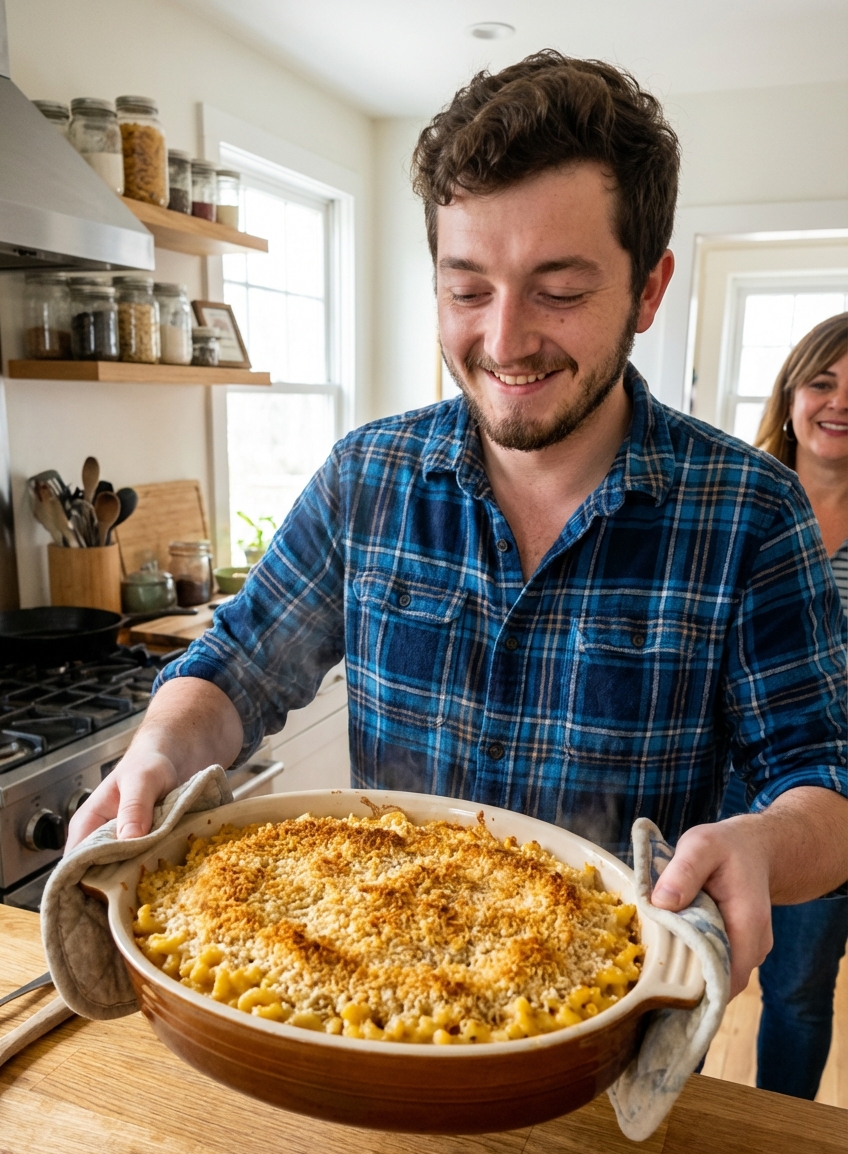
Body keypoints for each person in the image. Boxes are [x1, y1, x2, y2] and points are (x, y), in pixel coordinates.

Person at [67, 52, 847, 1001]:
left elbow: (822, 781)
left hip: (595, 1019)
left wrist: (764, 841)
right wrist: (158, 748)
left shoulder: (751, 514)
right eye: (467, 288)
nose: (505, 341)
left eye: (560, 290)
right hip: (365, 997)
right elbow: (236, 668)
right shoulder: (369, 476)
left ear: (649, 290)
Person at [721, 313, 848, 1095]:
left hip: (830, 794)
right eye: (823, 382)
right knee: (686, 966)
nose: (838, 404)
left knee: (799, 988)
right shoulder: (740, 503)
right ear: (792, 394)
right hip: (726, 776)